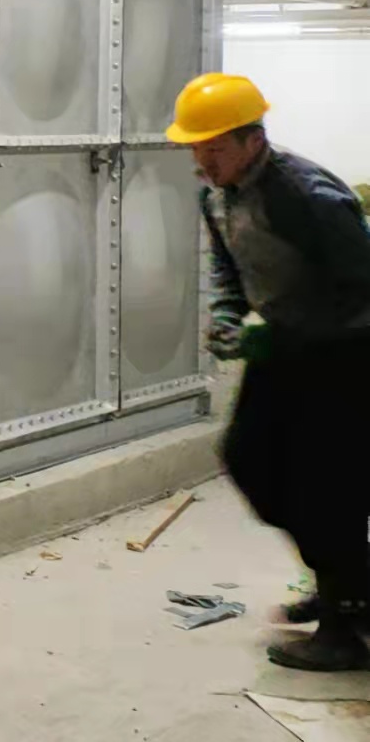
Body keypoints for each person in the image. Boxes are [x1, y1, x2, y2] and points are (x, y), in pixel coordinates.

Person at [170, 72, 370, 671]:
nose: (203, 162)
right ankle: (349, 577)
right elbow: (229, 269)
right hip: (282, 351)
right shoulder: (217, 195)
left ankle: (344, 626)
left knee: (327, 486)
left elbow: (361, 285)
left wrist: (290, 325)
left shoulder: (308, 196)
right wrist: (228, 315)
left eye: (215, 148)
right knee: (251, 459)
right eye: (197, 149)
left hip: (345, 355)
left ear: (253, 139)